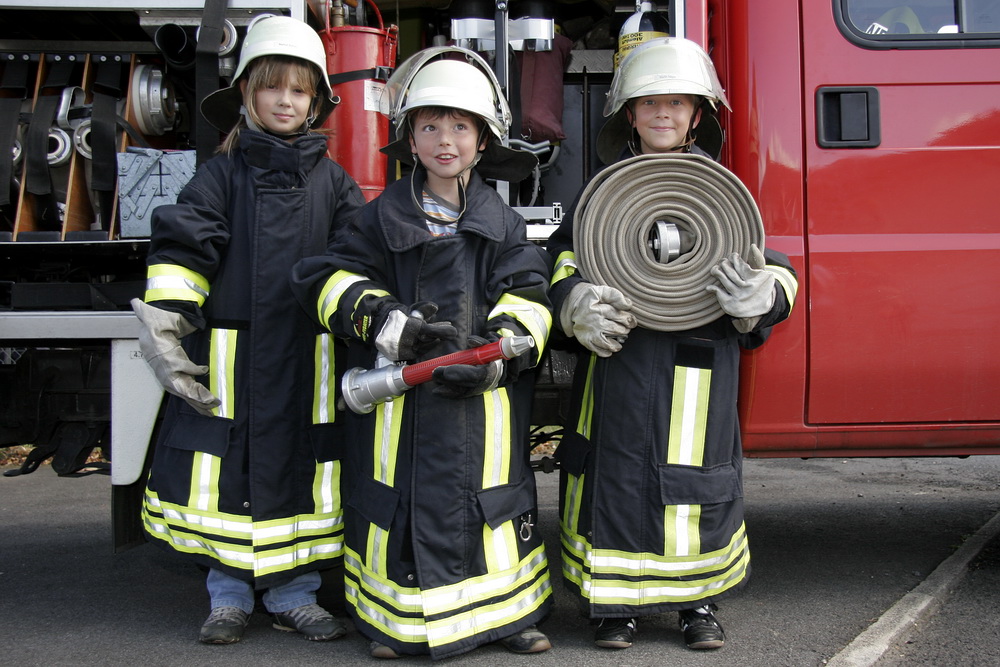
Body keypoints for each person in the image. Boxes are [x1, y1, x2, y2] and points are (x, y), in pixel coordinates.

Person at [291, 46, 554, 660]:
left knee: (490, 505)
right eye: (430, 125)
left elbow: (531, 299)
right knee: (398, 513)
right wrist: (391, 326)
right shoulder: (375, 218)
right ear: (408, 136)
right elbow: (326, 282)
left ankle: (507, 618)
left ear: (483, 140)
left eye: (461, 126)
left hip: (480, 406)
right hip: (398, 410)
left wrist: (494, 360)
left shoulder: (504, 225)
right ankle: (393, 623)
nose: (445, 141)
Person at [546, 37, 799, 651]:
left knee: (694, 487)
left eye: (677, 103)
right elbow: (557, 261)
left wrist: (766, 296)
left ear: (696, 115)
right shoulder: (597, 195)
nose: (663, 113)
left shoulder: (721, 192)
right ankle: (612, 605)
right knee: (615, 479)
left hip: (699, 373)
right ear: (628, 113)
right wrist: (573, 302)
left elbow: (773, 267)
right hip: (618, 365)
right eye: (649, 102)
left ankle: (697, 601)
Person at [130, 15, 365, 645]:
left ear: (316, 101)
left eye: (299, 91)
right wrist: (169, 322)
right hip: (231, 359)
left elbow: (359, 261)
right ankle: (228, 594)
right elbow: (186, 248)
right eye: (272, 88)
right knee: (228, 470)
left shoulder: (334, 182)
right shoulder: (220, 174)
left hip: (308, 358)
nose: (286, 101)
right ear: (246, 94)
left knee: (302, 469)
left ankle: (296, 594)